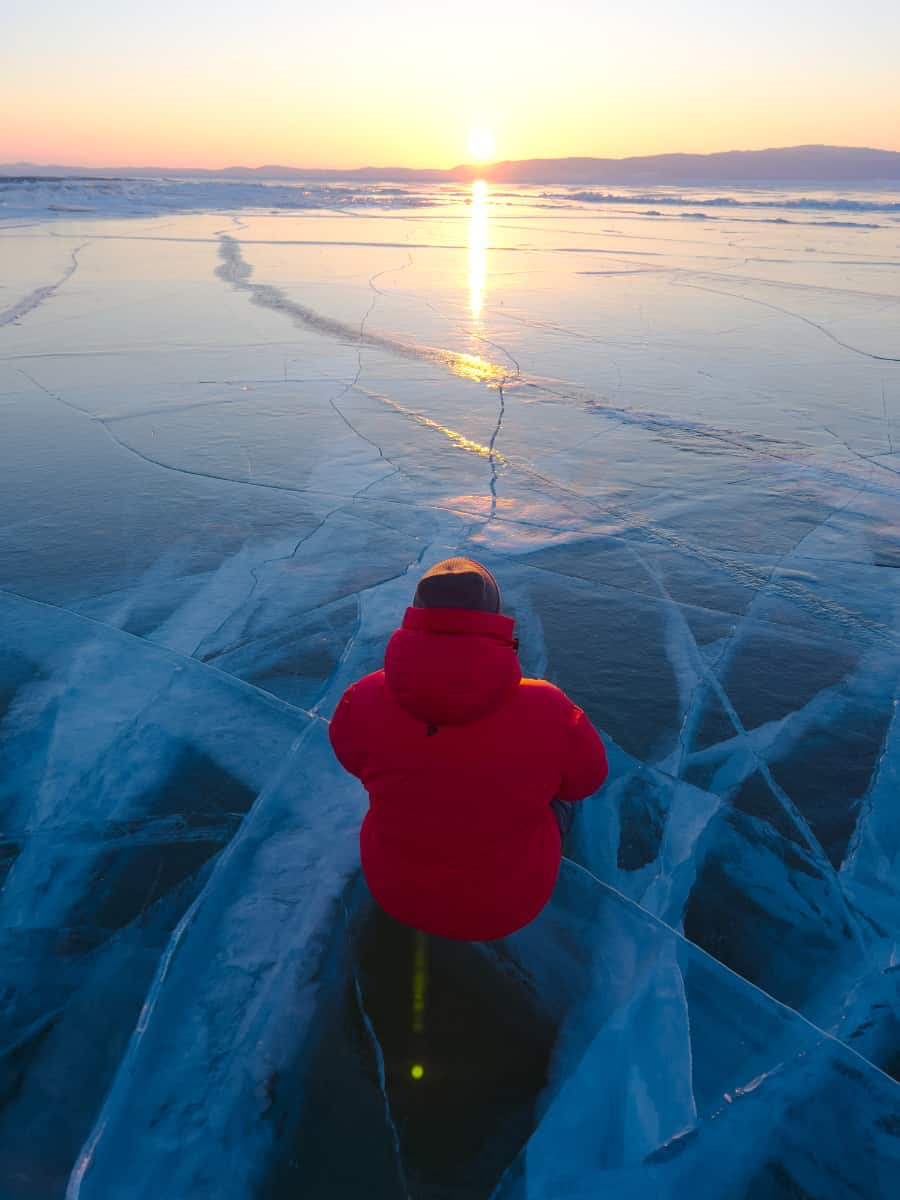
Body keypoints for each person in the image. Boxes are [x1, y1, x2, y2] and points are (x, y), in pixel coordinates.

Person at [328, 557, 608, 941]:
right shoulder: (549, 708)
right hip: (508, 905)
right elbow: (587, 780)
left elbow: (351, 758)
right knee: (561, 795)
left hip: (394, 891)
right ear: (492, 616)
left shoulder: (362, 697)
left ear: (416, 613)